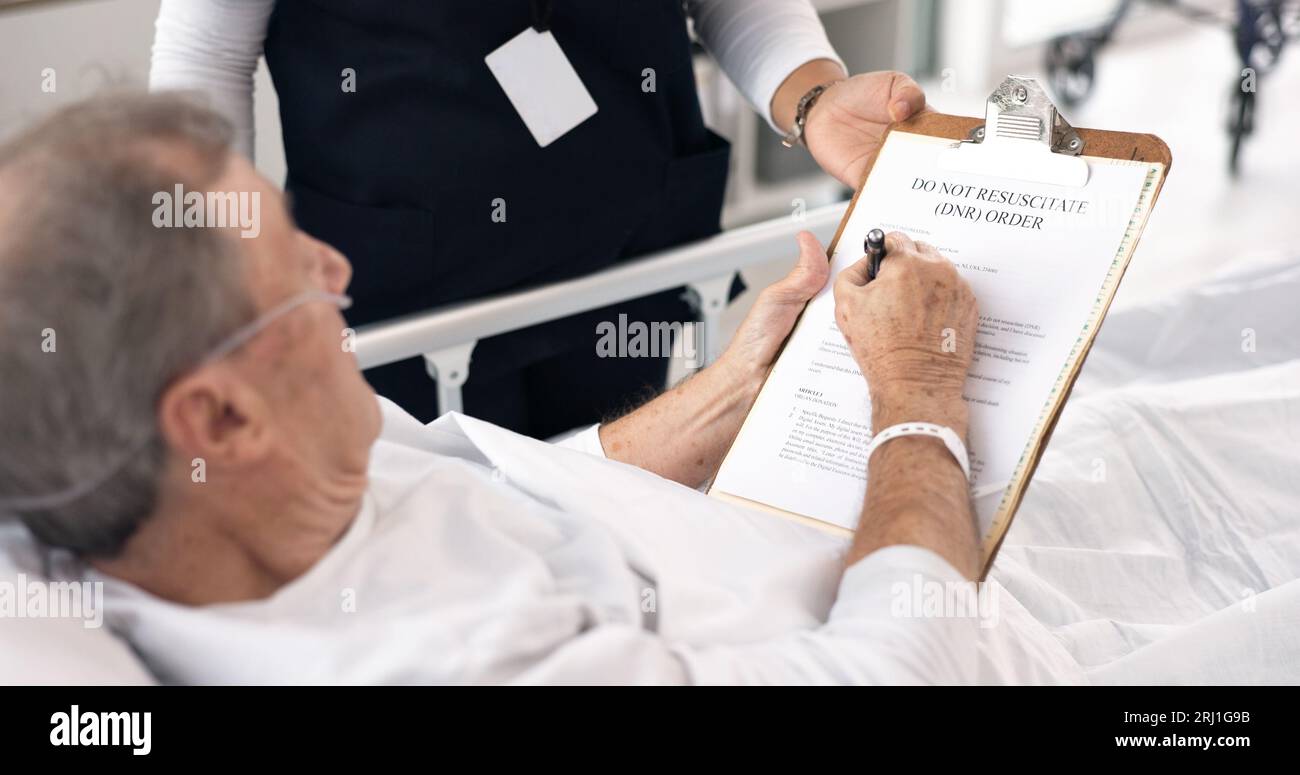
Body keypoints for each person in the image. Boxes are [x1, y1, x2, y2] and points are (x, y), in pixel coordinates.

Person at [0, 96, 979, 684]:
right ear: (218, 416)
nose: (338, 267)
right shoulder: (453, 661)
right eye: (293, 272)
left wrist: (735, 389)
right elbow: (904, 671)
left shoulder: (240, 473)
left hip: (801, 537)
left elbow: (512, 481)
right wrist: (919, 388)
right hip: (935, 615)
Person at [149, 0, 928, 436]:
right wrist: (224, 283)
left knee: (621, 526)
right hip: (402, 290)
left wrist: (817, 99)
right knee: (450, 548)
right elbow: (204, 60)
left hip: (628, 260)